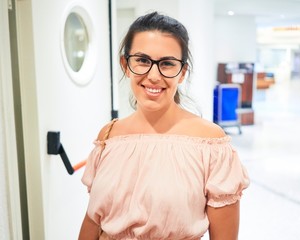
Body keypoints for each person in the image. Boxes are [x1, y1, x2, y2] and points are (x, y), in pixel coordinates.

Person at [79, 11, 249, 240]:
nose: (153, 75)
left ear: (182, 73)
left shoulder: (210, 143)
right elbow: (93, 219)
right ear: (125, 65)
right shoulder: (109, 136)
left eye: (167, 64)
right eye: (142, 60)